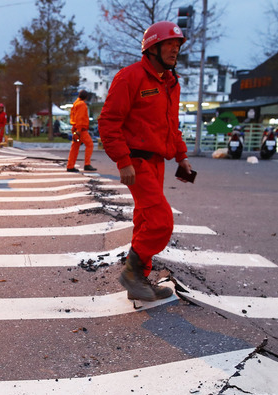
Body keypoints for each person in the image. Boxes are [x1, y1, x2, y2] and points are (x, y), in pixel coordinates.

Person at [98, 20, 194, 302]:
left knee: (144, 219)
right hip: (136, 162)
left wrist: (182, 156)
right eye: (169, 45)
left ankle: (138, 279)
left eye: (178, 46)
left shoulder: (170, 83)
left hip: (157, 162)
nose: (175, 50)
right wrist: (123, 161)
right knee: (160, 221)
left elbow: (171, 125)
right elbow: (108, 122)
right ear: (152, 47)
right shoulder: (130, 77)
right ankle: (132, 274)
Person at [66, 90, 96, 173]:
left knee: (75, 147)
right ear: (86, 97)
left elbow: (74, 117)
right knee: (89, 144)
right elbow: (80, 118)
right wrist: (79, 130)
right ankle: (87, 164)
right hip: (81, 130)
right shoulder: (82, 104)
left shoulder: (75, 103)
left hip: (76, 129)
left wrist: (76, 130)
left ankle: (70, 166)